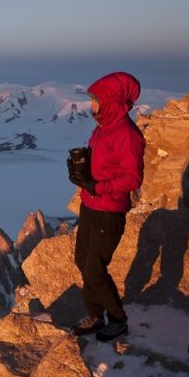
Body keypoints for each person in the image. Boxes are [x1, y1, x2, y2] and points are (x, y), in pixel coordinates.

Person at [67, 71, 145, 342]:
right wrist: (83, 171)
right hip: (91, 206)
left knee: (95, 270)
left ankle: (118, 320)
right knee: (82, 261)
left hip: (108, 210)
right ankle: (94, 315)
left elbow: (133, 178)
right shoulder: (104, 127)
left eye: (95, 100)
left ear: (110, 101)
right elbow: (105, 165)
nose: (91, 105)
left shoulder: (127, 134)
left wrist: (97, 187)